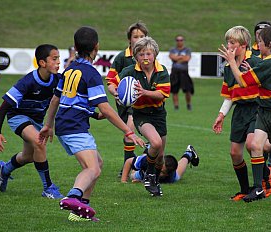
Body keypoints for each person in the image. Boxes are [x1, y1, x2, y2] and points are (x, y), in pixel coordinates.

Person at [38, 26, 145, 222]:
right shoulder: (91, 74)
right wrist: (128, 132)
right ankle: (72, 196)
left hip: (64, 125)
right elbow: (105, 108)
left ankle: (81, 210)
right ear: (97, 47)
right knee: (92, 169)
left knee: (98, 163)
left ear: (76, 47)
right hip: (75, 127)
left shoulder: (69, 70)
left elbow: (56, 100)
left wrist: (48, 125)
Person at [219, 26, 271, 206]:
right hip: (263, 111)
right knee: (255, 145)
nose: (257, 45)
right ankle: (257, 187)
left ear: (268, 44)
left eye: (260, 42)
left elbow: (243, 81)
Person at [0, 44, 63, 199]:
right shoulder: (27, 82)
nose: (59, 62)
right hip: (18, 117)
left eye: (59, 58)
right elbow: (3, 108)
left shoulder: (58, 80)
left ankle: (5, 169)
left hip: (36, 121)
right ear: (42, 63)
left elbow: (69, 100)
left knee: (28, 157)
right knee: (39, 143)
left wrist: (95, 114)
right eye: (54, 58)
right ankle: (48, 188)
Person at [212, 26, 271, 201]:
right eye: (227, 42)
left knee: (252, 144)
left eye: (232, 42)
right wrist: (221, 115)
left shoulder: (254, 62)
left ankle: (259, 186)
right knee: (235, 153)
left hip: (257, 108)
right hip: (240, 111)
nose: (228, 45)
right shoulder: (228, 67)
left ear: (244, 45)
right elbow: (230, 95)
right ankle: (245, 189)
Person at [116, 36, 171, 197]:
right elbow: (113, 82)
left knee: (160, 156)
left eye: (148, 54)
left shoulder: (162, 71)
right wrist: (118, 94)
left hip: (159, 114)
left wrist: (144, 92)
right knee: (155, 142)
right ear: (136, 57)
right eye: (141, 54)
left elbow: (162, 94)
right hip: (141, 114)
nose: (145, 58)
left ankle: (151, 175)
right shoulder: (130, 71)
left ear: (155, 54)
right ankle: (150, 176)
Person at [106, 22, 149, 176]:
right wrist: (115, 93)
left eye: (142, 36)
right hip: (125, 103)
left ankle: (132, 166)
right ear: (129, 40)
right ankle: (134, 164)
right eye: (135, 36)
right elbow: (111, 81)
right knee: (131, 132)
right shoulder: (121, 57)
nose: (139, 39)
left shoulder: (149, 56)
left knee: (131, 130)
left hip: (143, 102)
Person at [121, 145, 199, 183]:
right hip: (146, 168)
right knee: (132, 175)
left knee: (177, 177)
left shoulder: (170, 177)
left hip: (167, 176)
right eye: (158, 168)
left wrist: (142, 181)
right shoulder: (146, 161)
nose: (157, 171)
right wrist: (123, 180)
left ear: (167, 174)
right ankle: (149, 148)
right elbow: (128, 161)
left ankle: (189, 153)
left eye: (162, 172)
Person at [169, 35, 193, 111]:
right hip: (175, 73)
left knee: (188, 90)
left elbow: (187, 59)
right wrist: (181, 57)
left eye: (181, 40)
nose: (179, 41)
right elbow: (172, 57)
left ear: (183, 41)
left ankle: (188, 104)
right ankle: (176, 106)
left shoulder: (187, 50)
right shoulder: (173, 49)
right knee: (174, 90)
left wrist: (177, 59)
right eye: (178, 40)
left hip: (184, 73)